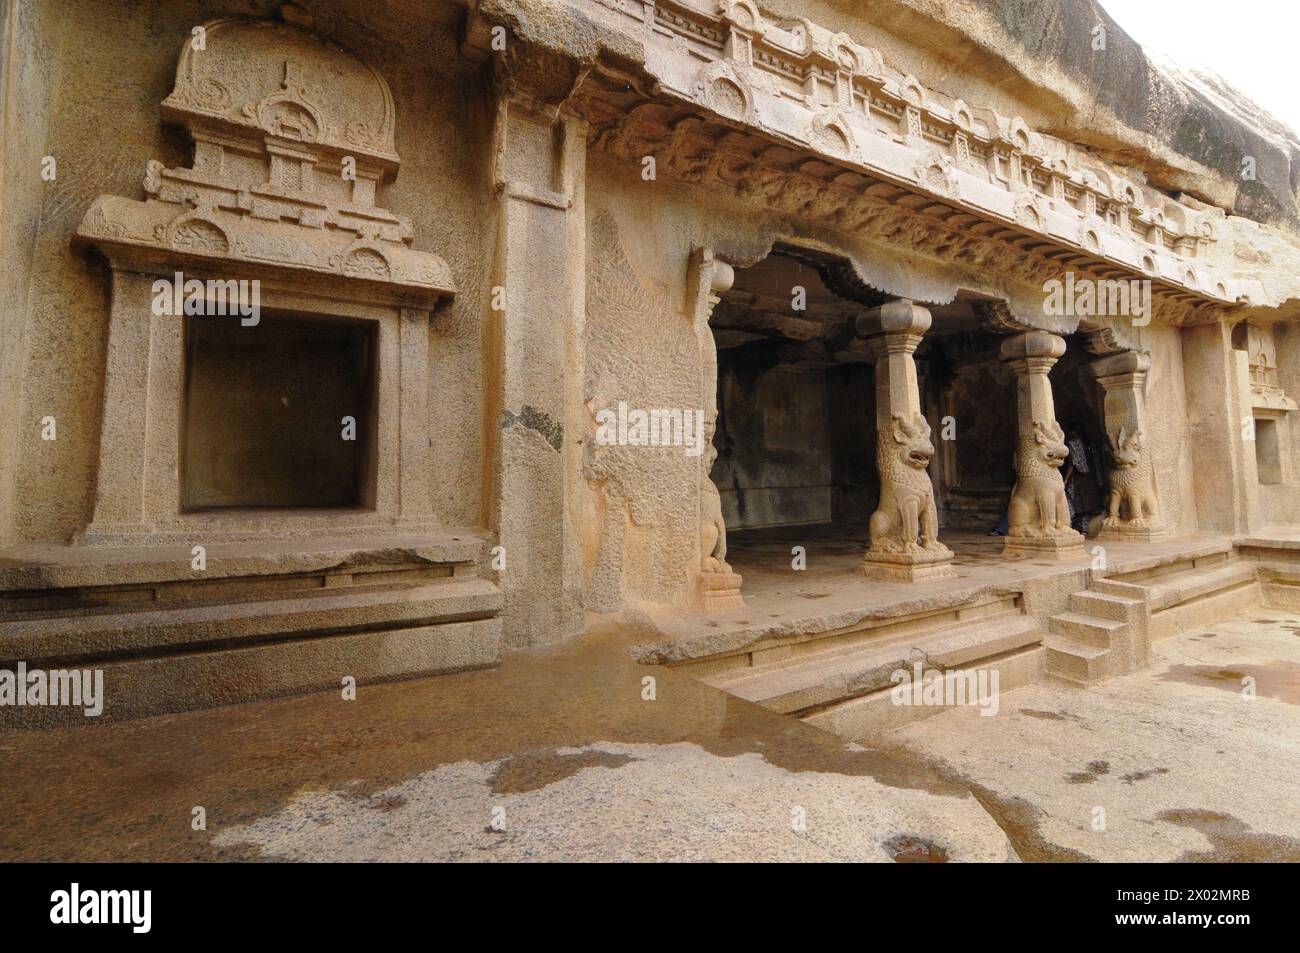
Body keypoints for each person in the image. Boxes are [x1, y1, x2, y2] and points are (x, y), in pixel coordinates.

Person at [1062, 421, 1103, 535]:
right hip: (1091, 479)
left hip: (1077, 478)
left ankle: (1068, 527)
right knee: (1087, 504)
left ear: (1073, 431)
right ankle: (1083, 528)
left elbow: (1072, 463)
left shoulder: (1074, 443)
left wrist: (1065, 479)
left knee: (1071, 502)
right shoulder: (1090, 442)